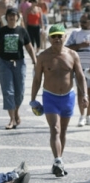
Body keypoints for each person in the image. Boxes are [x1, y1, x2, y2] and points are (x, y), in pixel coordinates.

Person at [30, 23, 89, 177]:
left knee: (63, 131)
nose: (57, 39)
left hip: (68, 97)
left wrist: (84, 95)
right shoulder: (42, 56)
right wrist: (32, 99)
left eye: (59, 36)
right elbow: (37, 79)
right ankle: (57, 160)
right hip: (50, 97)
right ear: (49, 38)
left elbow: (80, 76)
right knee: (54, 129)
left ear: (65, 37)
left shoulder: (72, 55)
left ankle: (59, 160)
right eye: (53, 36)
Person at [0, 7, 37, 130]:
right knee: (8, 92)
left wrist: (35, 62)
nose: (12, 17)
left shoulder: (22, 31)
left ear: (17, 17)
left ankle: (16, 112)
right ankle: (12, 119)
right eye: (10, 15)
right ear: (6, 17)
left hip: (19, 64)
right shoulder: (1, 31)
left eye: (14, 15)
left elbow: (29, 48)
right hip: (4, 64)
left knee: (20, 92)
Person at [66, 12, 90, 126]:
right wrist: (80, 45)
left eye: (84, 22)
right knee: (81, 91)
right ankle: (82, 115)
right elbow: (66, 48)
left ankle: (88, 116)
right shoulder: (75, 33)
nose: (81, 24)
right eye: (80, 21)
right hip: (79, 67)